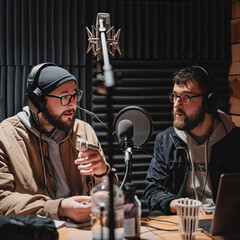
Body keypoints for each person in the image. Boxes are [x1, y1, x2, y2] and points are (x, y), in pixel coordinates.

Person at [0, 62, 115, 222]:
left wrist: (102, 172)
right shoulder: (5, 136)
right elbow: (2, 199)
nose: (73, 104)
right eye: (64, 97)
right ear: (37, 101)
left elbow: (111, 194)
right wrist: (58, 208)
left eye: (75, 95)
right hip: (34, 232)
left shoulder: (84, 130)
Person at [143, 65, 240, 216]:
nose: (176, 104)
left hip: (224, 221)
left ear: (209, 102)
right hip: (182, 220)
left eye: (186, 97)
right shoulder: (166, 140)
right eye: (175, 96)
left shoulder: (234, 140)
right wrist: (174, 203)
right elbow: (152, 191)